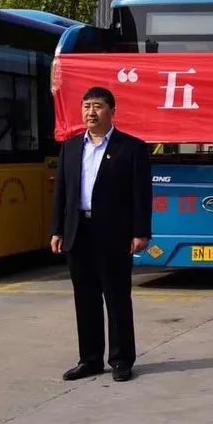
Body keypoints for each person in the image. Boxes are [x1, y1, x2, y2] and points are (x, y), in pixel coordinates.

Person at [50, 86, 152, 383]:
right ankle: (90, 359)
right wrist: (57, 229)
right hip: (77, 231)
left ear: (111, 111)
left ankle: (121, 360)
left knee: (117, 298)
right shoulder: (70, 148)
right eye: (86, 106)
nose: (90, 112)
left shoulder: (131, 148)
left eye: (97, 106)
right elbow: (61, 193)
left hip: (113, 233)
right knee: (85, 298)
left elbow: (141, 194)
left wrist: (141, 231)